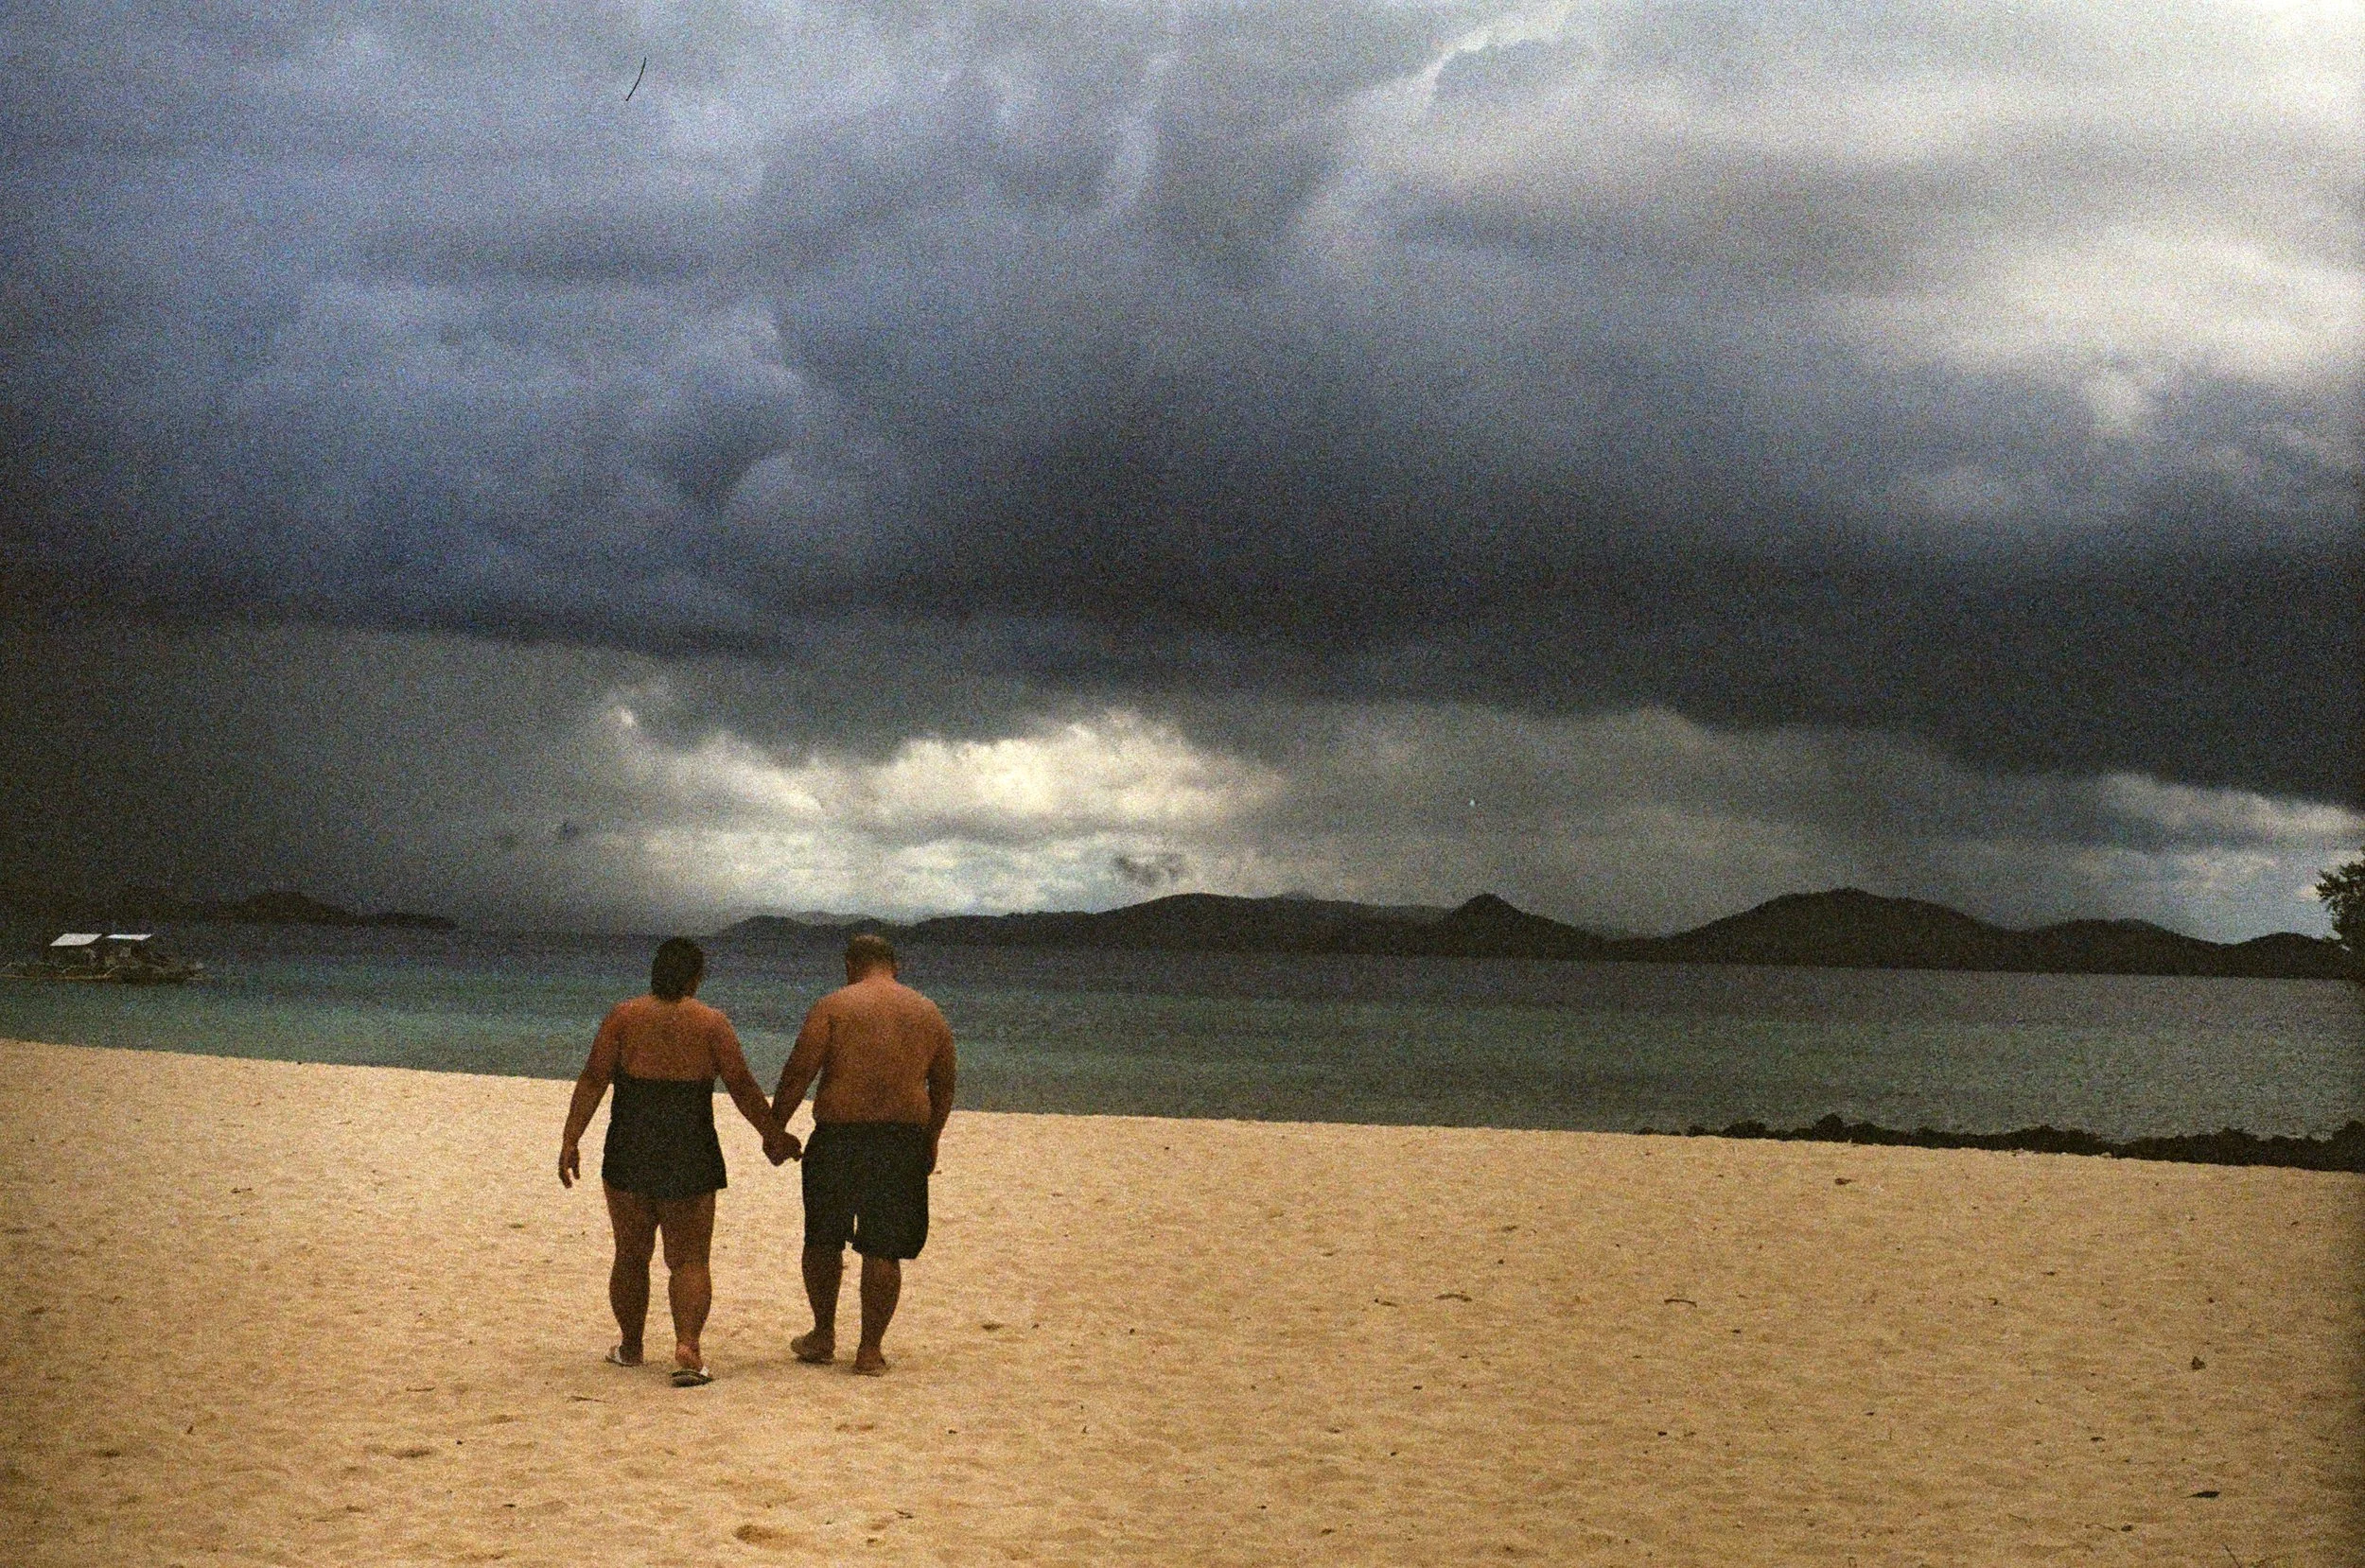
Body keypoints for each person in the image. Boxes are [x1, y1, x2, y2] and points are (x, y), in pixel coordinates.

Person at [559, 937, 794, 1385]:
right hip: (690, 1148)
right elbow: (743, 1087)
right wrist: (773, 1137)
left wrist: (571, 1139)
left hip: (630, 1145)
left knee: (631, 1255)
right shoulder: (711, 1024)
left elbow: (593, 1079)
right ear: (695, 978)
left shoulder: (623, 1017)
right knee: (688, 1260)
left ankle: (631, 1347)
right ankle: (687, 1347)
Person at [772, 932, 955, 1375]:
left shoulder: (833, 1006)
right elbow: (944, 1083)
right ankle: (869, 1351)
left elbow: (799, 1070)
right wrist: (932, 1137)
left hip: (840, 1137)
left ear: (850, 966)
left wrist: (774, 1129)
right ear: (896, 966)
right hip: (900, 1141)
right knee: (883, 1247)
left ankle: (823, 1333)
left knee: (822, 1239)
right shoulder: (928, 1012)